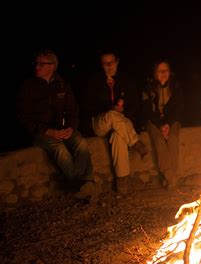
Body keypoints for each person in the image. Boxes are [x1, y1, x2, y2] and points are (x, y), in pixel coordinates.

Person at [17, 49, 95, 199]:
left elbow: (73, 110)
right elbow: (24, 117)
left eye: (41, 64)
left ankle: (83, 185)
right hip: (41, 133)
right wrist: (48, 131)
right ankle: (84, 184)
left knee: (81, 143)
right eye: (36, 63)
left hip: (63, 129)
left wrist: (71, 128)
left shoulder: (62, 85)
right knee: (60, 150)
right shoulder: (28, 87)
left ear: (52, 66)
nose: (37, 67)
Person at [82, 50, 148, 194]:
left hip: (121, 125)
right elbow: (88, 106)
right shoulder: (94, 82)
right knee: (112, 115)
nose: (108, 66)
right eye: (105, 64)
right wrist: (109, 108)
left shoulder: (126, 80)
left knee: (118, 137)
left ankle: (122, 183)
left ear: (117, 62)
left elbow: (135, 104)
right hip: (100, 123)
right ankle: (136, 142)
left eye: (110, 63)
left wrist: (122, 112)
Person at [139, 60, 184, 189]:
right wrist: (160, 125)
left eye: (166, 70)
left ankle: (168, 178)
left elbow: (178, 108)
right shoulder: (148, 88)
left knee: (173, 139)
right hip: (153, 121)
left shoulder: (175, 86)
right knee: (159, 141)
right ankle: (171, 177)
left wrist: (168, 124)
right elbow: (147, 110)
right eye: (160, 70)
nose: (164, 73)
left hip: (172, 120)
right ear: (155, 73)